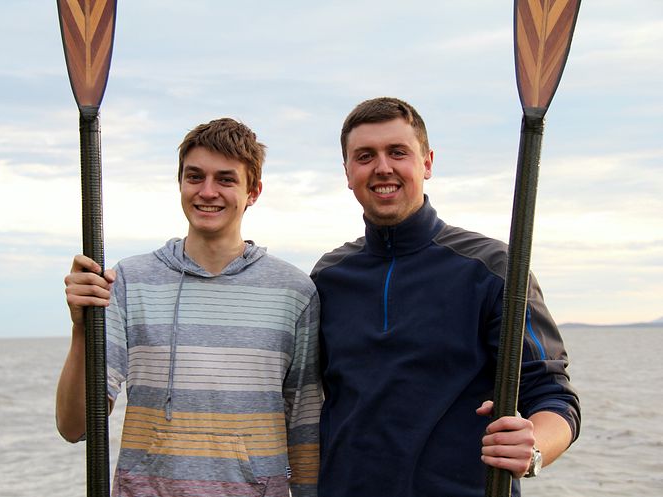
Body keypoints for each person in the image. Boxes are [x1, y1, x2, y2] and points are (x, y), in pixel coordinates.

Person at [310, 97, 580, 497]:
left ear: (427, 162)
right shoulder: (328, 277)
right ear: (348, 173)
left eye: (398, 152)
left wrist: (533, 448)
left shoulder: (494, 268)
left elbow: (555, 398)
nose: (382, 167)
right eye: (365, 156)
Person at [56, 118, 322, 497]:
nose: (207, 191)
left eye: (226, 179)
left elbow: (304, 427)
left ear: (253, 191)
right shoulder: (129, 281)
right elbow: (75, 426)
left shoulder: (294, 292)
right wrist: (81, 329)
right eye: (194, 177)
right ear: (180, 183)